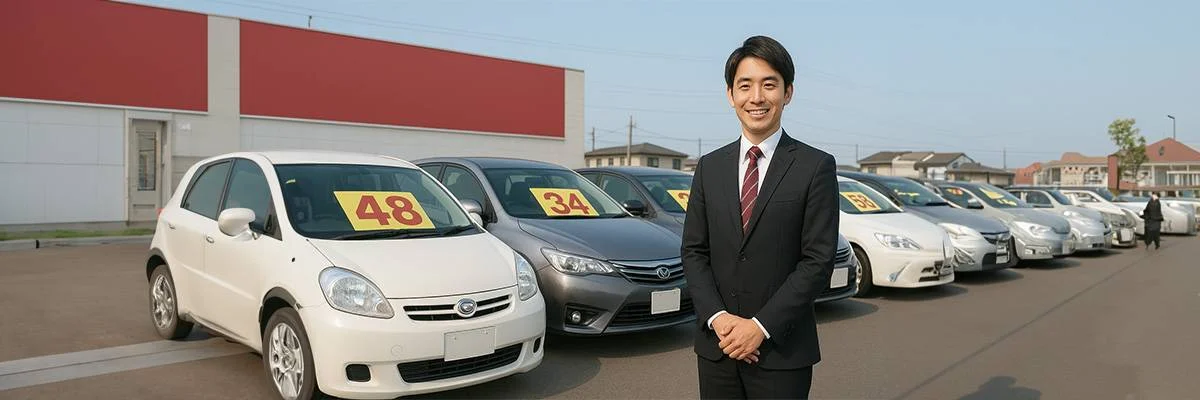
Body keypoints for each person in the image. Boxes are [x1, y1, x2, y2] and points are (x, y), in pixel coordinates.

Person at [681, 35, 838, 399]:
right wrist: (719, 319)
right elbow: (693, 251)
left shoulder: (815, 166)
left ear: (788, 92)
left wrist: (760, 327)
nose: (756, 97)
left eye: (769, 84)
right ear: (730, 94)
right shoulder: (709, 167)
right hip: (718, 347)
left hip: (781, 352)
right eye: (745, 85)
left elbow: (817, 261)